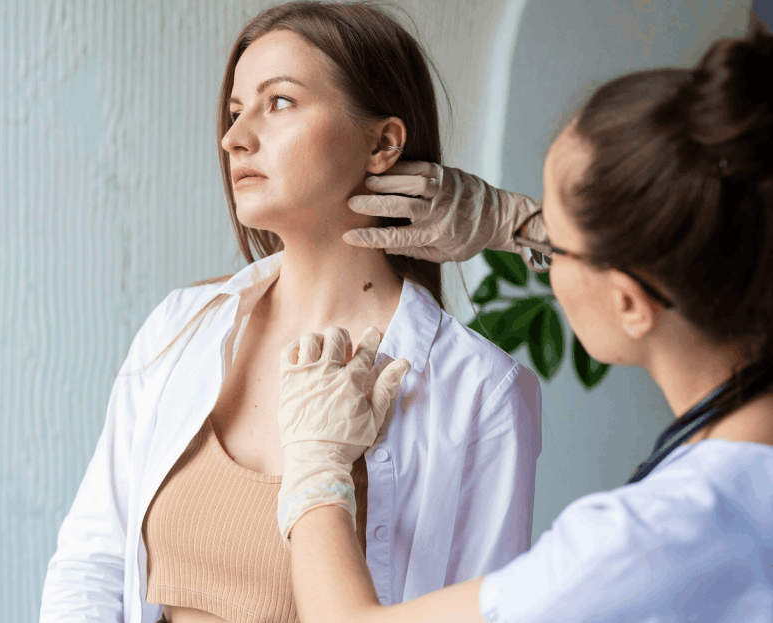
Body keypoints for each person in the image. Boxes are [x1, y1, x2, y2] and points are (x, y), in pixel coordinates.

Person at [39, 3, 544, 623]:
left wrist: (527, 224)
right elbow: (90, 561)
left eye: (279, 102)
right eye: (234, 112)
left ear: (383, 143)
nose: (234, 137)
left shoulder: (481, 393)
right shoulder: (181, 327)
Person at [273, 16, 773, 623]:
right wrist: (517, 224)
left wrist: (317, 473)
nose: (538, 255)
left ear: (628, 304)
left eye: (552, 245)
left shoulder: (646, 540)